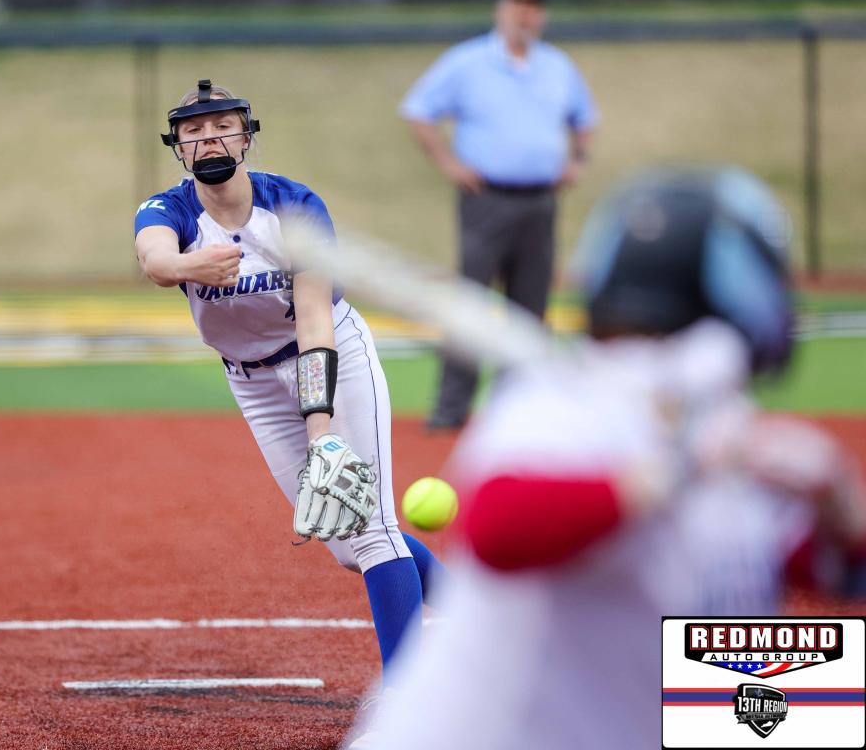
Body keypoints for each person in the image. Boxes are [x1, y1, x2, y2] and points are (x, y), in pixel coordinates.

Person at [345, 166, 866, 749]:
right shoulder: (560, 407)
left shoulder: (722, 434)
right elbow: (497, 526)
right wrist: (676, 470)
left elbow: (817, 574)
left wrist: (840, 510)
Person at [133, 80, 446, 714]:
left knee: (373, 529)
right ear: (178, 148)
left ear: (246, 137)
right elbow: (155, 260)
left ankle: (410, 705)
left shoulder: (294, 206)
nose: (209, 138)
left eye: (222, 126)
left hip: (328, 355)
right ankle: (472, 607)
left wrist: (320, 429)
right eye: (193, 131)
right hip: (249, 379)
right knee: (345, 542)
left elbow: (315, 322)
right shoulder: (170, 210)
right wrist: (193, 266)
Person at [400, 0, 598, 430]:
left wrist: (578, 161)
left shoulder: (557, 66)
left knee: (530, 308)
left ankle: (519, 411)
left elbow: (584, 118)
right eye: (517, 5)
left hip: (541, 200)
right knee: (470, 303)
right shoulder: (467, 62)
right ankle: (451, 410)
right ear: (501, 10)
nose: (525, 14)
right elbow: (419, 110)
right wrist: (449, 164)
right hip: (485, 199)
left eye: (533, 6)